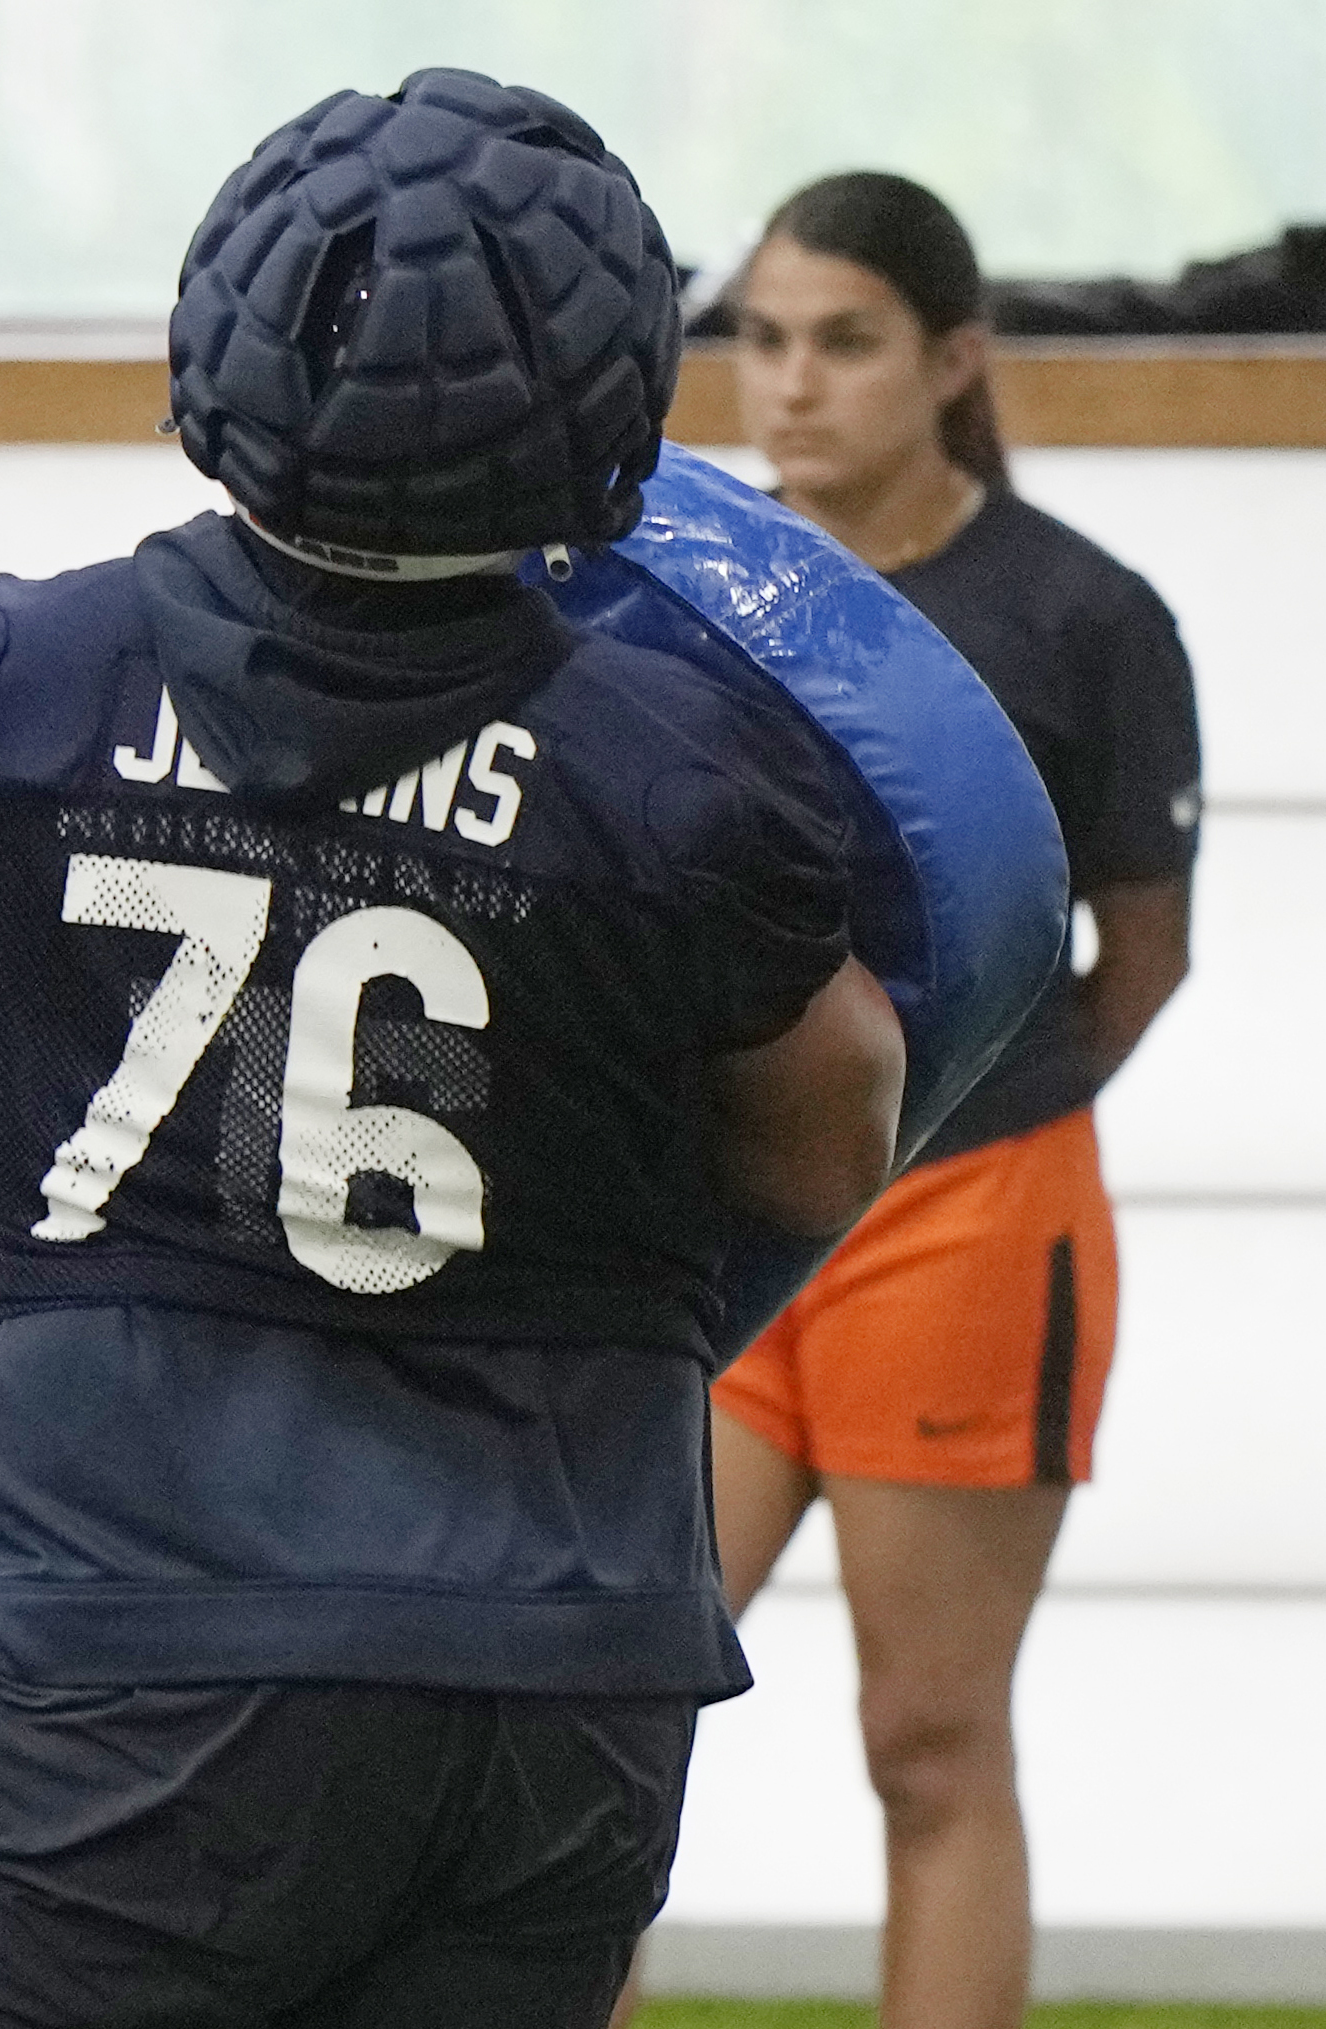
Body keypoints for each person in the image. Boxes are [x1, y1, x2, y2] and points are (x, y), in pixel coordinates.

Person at [0, 73, 925, 2029]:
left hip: (141, 1669)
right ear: (617, 393)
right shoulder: (696, 774)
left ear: (223, 335)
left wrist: (27, 1029)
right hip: (569, 1706)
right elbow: (830, 1148)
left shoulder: (2, 678)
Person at [645, 173, 1199, 2029]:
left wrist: (954, 1120)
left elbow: (1140, 956)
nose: (792, 386)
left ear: (954, 360)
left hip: (971, 1212)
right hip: (716, 1226)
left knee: (930, 1739)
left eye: (847, 343)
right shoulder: (696, 588)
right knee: (593, 1693)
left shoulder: (1081, 615)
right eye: (765, 341)